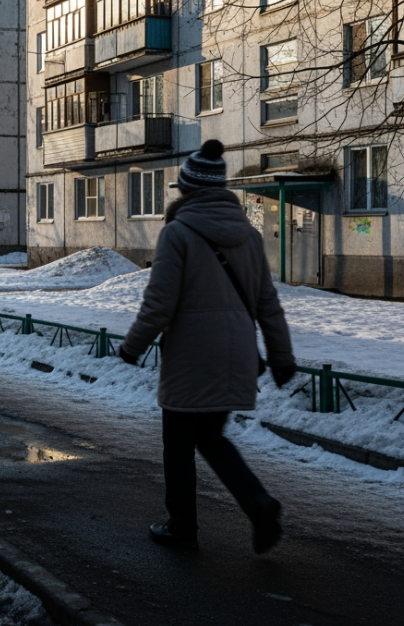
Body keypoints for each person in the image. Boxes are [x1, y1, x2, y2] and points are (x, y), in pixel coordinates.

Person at [117, 139, 296, 554]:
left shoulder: (177, 233)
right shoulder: (248, 236)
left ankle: (182, 526)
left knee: (178, 443)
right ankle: (258, 503)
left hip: (192, 358)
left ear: (188, 190)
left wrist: (131, 347)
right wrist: (282, 357)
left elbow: (159, 304)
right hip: (236, 353)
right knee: (211, 437)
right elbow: (268, 302)